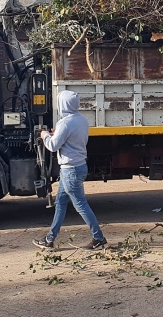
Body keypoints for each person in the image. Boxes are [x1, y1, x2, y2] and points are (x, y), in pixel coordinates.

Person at [33, 90, 107, 251]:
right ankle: (49, 239)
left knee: (80, 204)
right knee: (60, 203)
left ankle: (98, 238)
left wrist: (45, 134)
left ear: (63, 105)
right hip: (79, 166)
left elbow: (53, 146)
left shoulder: (64, 123)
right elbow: (71, 139)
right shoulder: (82, 120)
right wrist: (55, 135)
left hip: (70, 170)